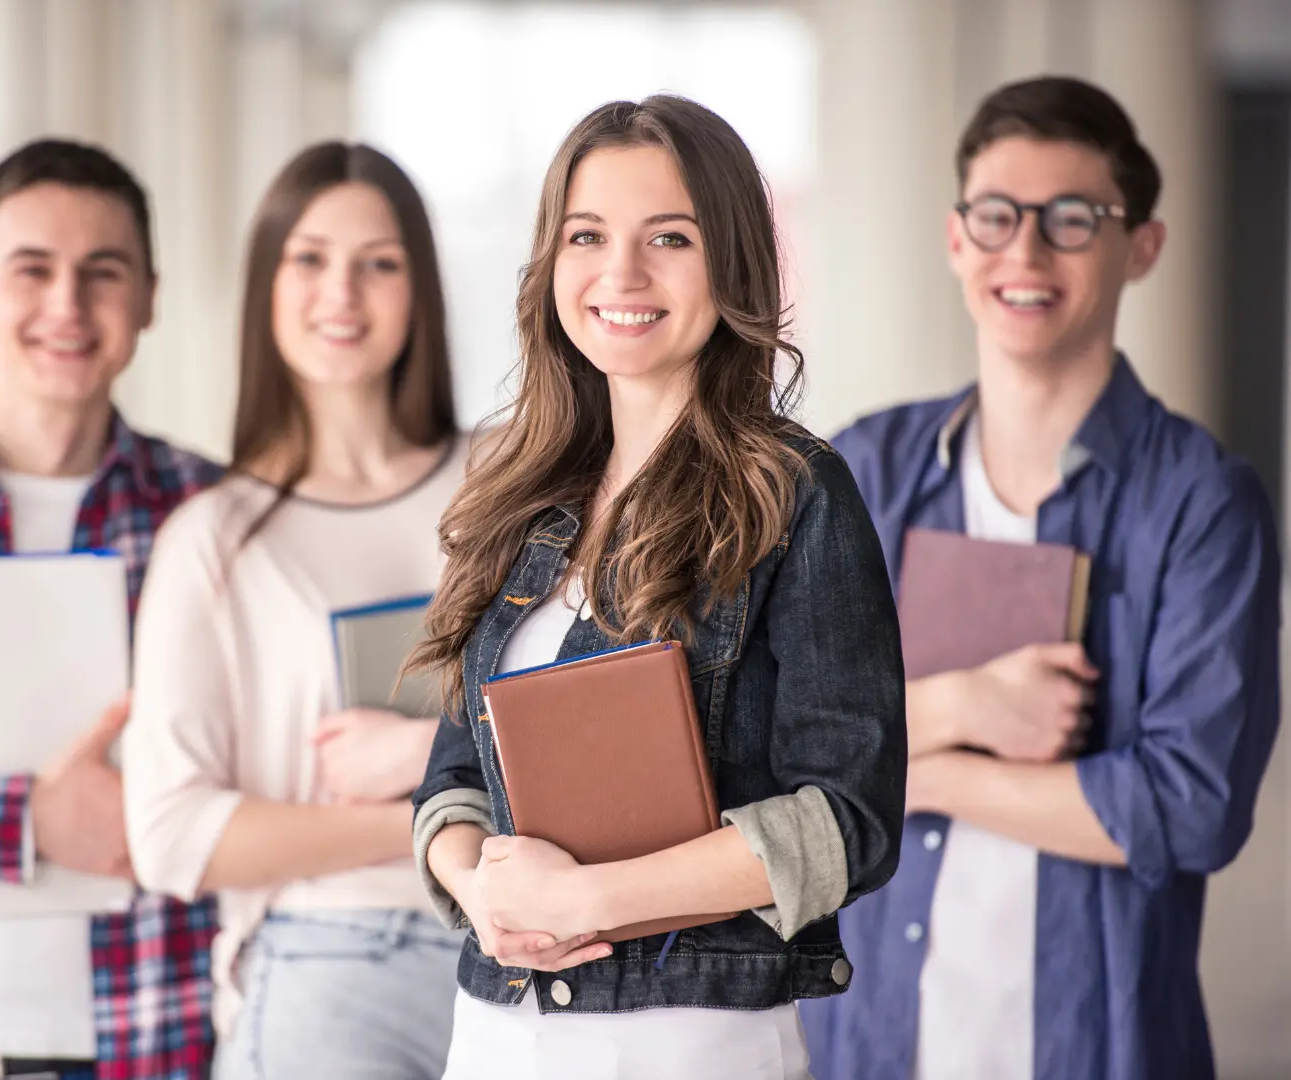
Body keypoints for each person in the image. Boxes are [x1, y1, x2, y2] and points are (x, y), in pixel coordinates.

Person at [406, 94, 907, 1080]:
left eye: (666, 238)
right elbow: (453, 780)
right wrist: (484, 895)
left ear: (729, 261)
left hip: (688, 1040)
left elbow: (847, 820)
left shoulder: (793, 493)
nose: (620, 274)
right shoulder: (520, 497)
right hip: (497, 1032)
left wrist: (582, 902)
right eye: (586, 235)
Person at [800, 75, 1282, 1080]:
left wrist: (912, 775)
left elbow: (1187, 807)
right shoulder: (863, 471)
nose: (1022, 252)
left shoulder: (1199, 502)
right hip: (868, 1045)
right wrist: (959, 706)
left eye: (1071, 220)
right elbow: (776, 735)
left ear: (1138, 246)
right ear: (954, 239)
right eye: (995, 215)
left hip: (1093, 1046)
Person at [122, 142, 471, 1080]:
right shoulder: (214, 538)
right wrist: (439, 815)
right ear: (266, 282)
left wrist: (423, 768)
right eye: (310, 258)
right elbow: (171, 834)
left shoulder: (506, 481)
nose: (342, 294)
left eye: (380, 263)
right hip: (330, 959)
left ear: (422, 290)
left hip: (526, 950)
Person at [0, 140, 221, 1080]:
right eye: (31, 270)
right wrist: (25, 819)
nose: (67, 307)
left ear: (149, 297)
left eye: (102, 272)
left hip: (154, 1043)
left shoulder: (215, 515)